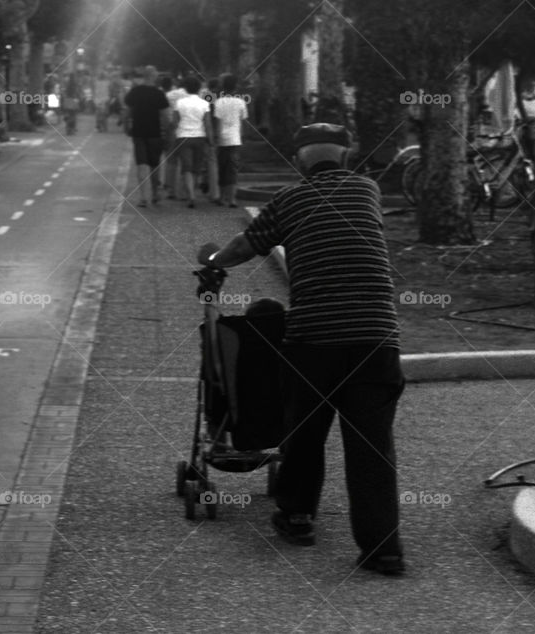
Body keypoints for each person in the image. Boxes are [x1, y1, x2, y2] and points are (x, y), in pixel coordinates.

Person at [196, 122, 406, 575]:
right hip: (377, 336)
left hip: (315, 339)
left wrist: (212, 265)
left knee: (305, 433)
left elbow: (242, 247)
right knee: (373, 447)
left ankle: (297, 517)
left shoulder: (289, 200)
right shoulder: (367, 190)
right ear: (347, 158)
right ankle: (383, 550)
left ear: (298, 161)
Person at [123, 65, 170, 207]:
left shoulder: (135, 92)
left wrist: (126, 125)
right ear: (154, 77)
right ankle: (155, 192)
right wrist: (167, 132)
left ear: (144, 76)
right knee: (154, 165)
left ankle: (144, 197)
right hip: (155, 133)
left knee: (141, 164)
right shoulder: (159, 94)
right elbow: (165, 116)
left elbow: (127, 111)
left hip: (138, 132)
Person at [174, 75, 213, 208]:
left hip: (183, 136)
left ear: (185, 88)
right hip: (199, 137)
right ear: (199, 88)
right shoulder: (204, 103)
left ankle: (190, 195)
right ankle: (192, 192)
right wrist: (211, 140)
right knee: (196, 168)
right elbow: (207, 124)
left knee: (186, 167)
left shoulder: (179, 103)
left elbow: (175, 122)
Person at [212, 74, 248, 207]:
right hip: (235, 140)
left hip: (222, 140)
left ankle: (222, 198)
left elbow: (218, 122)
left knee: (222, 169)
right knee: (233, 170)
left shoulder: (219, 102)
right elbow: (243, 123)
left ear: (223, 87)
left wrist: (216, 138)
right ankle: (232, 199)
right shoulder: (241, 102)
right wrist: (243, 137)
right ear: (236, 87)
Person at [164, 74, 189, 199]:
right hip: (188, 130)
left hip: (172, 130)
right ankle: (184, 192)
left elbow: (166, 113)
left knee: (171, 160)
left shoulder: (169, 95)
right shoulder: (193, 95)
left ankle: (171, 191)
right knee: (186, 161)